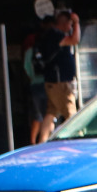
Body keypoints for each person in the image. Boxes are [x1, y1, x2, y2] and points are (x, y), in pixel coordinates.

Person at [37, 8, 81, 141]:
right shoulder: (57, 35)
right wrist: (77, 22)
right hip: (59, 83)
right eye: (70, 24)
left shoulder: (49, 35)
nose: (71, 27)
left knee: (51, 113)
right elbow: (75, 40)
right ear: (64, 23)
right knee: (71, 114)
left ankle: (42, 142)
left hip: (52, 81)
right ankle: (77, 141)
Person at [23, 16, 51, 144]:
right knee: (49, 114)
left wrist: (32, 78)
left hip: (35, 85)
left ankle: (33, 142)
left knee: (37, 115)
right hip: (49, 84)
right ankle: (46, 141)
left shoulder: (30, 51)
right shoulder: (49, 49)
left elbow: (26, 67)